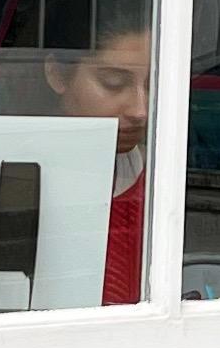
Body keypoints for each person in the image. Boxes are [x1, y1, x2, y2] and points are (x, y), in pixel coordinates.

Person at [45, 18, 151, 306]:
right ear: (56, 74)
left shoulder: (150, 176)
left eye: (153, 85)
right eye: (114, 83)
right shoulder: (13, 174)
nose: (140, 110)